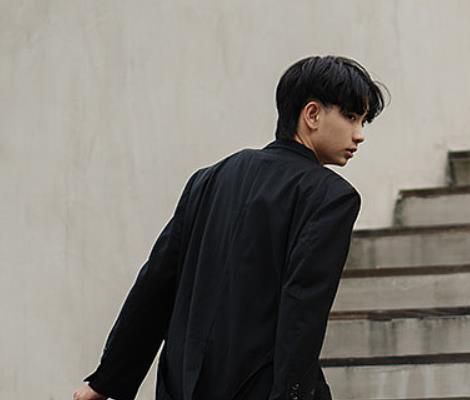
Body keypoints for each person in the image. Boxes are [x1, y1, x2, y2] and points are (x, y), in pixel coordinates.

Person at [73, 55, 386, 400]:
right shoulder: (331, 196)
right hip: (260, 388)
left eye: (363, 122)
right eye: (351, 117)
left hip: (183, 386)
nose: (359, 135)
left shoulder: (209, 179)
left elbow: (156, 284)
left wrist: (106, 380)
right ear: (311, 114)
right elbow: (303, 308)